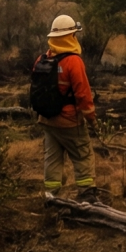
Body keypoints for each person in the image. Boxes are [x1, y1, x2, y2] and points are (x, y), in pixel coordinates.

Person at [32, 14, 96, 201]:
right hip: (70, 122)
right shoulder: (73, 62)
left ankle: (51, 197)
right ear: (70, 37)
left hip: (47, 120)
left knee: (52, 159)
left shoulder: (41, 59)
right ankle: (87, 196)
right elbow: (83, 94)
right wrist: (92, 119)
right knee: (83, 155)